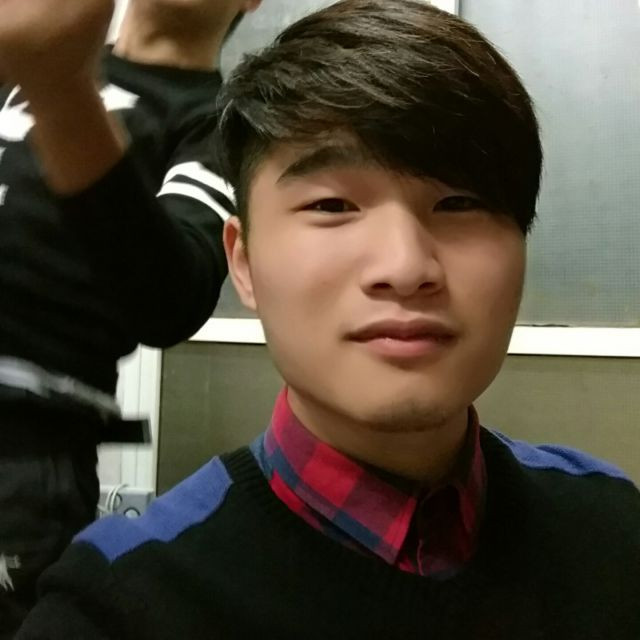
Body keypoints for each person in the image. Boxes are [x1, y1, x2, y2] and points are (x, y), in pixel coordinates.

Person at [17, 0, 640, 638]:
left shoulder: (614, 533)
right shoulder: (118, 606)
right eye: (333, 205)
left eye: (459, 202)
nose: (405, 267)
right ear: (243, 263)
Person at [0, 0, 261, 635]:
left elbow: (171, 300)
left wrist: (62, 93)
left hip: (22, 444)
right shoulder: (25, 56)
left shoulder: (221, 129)